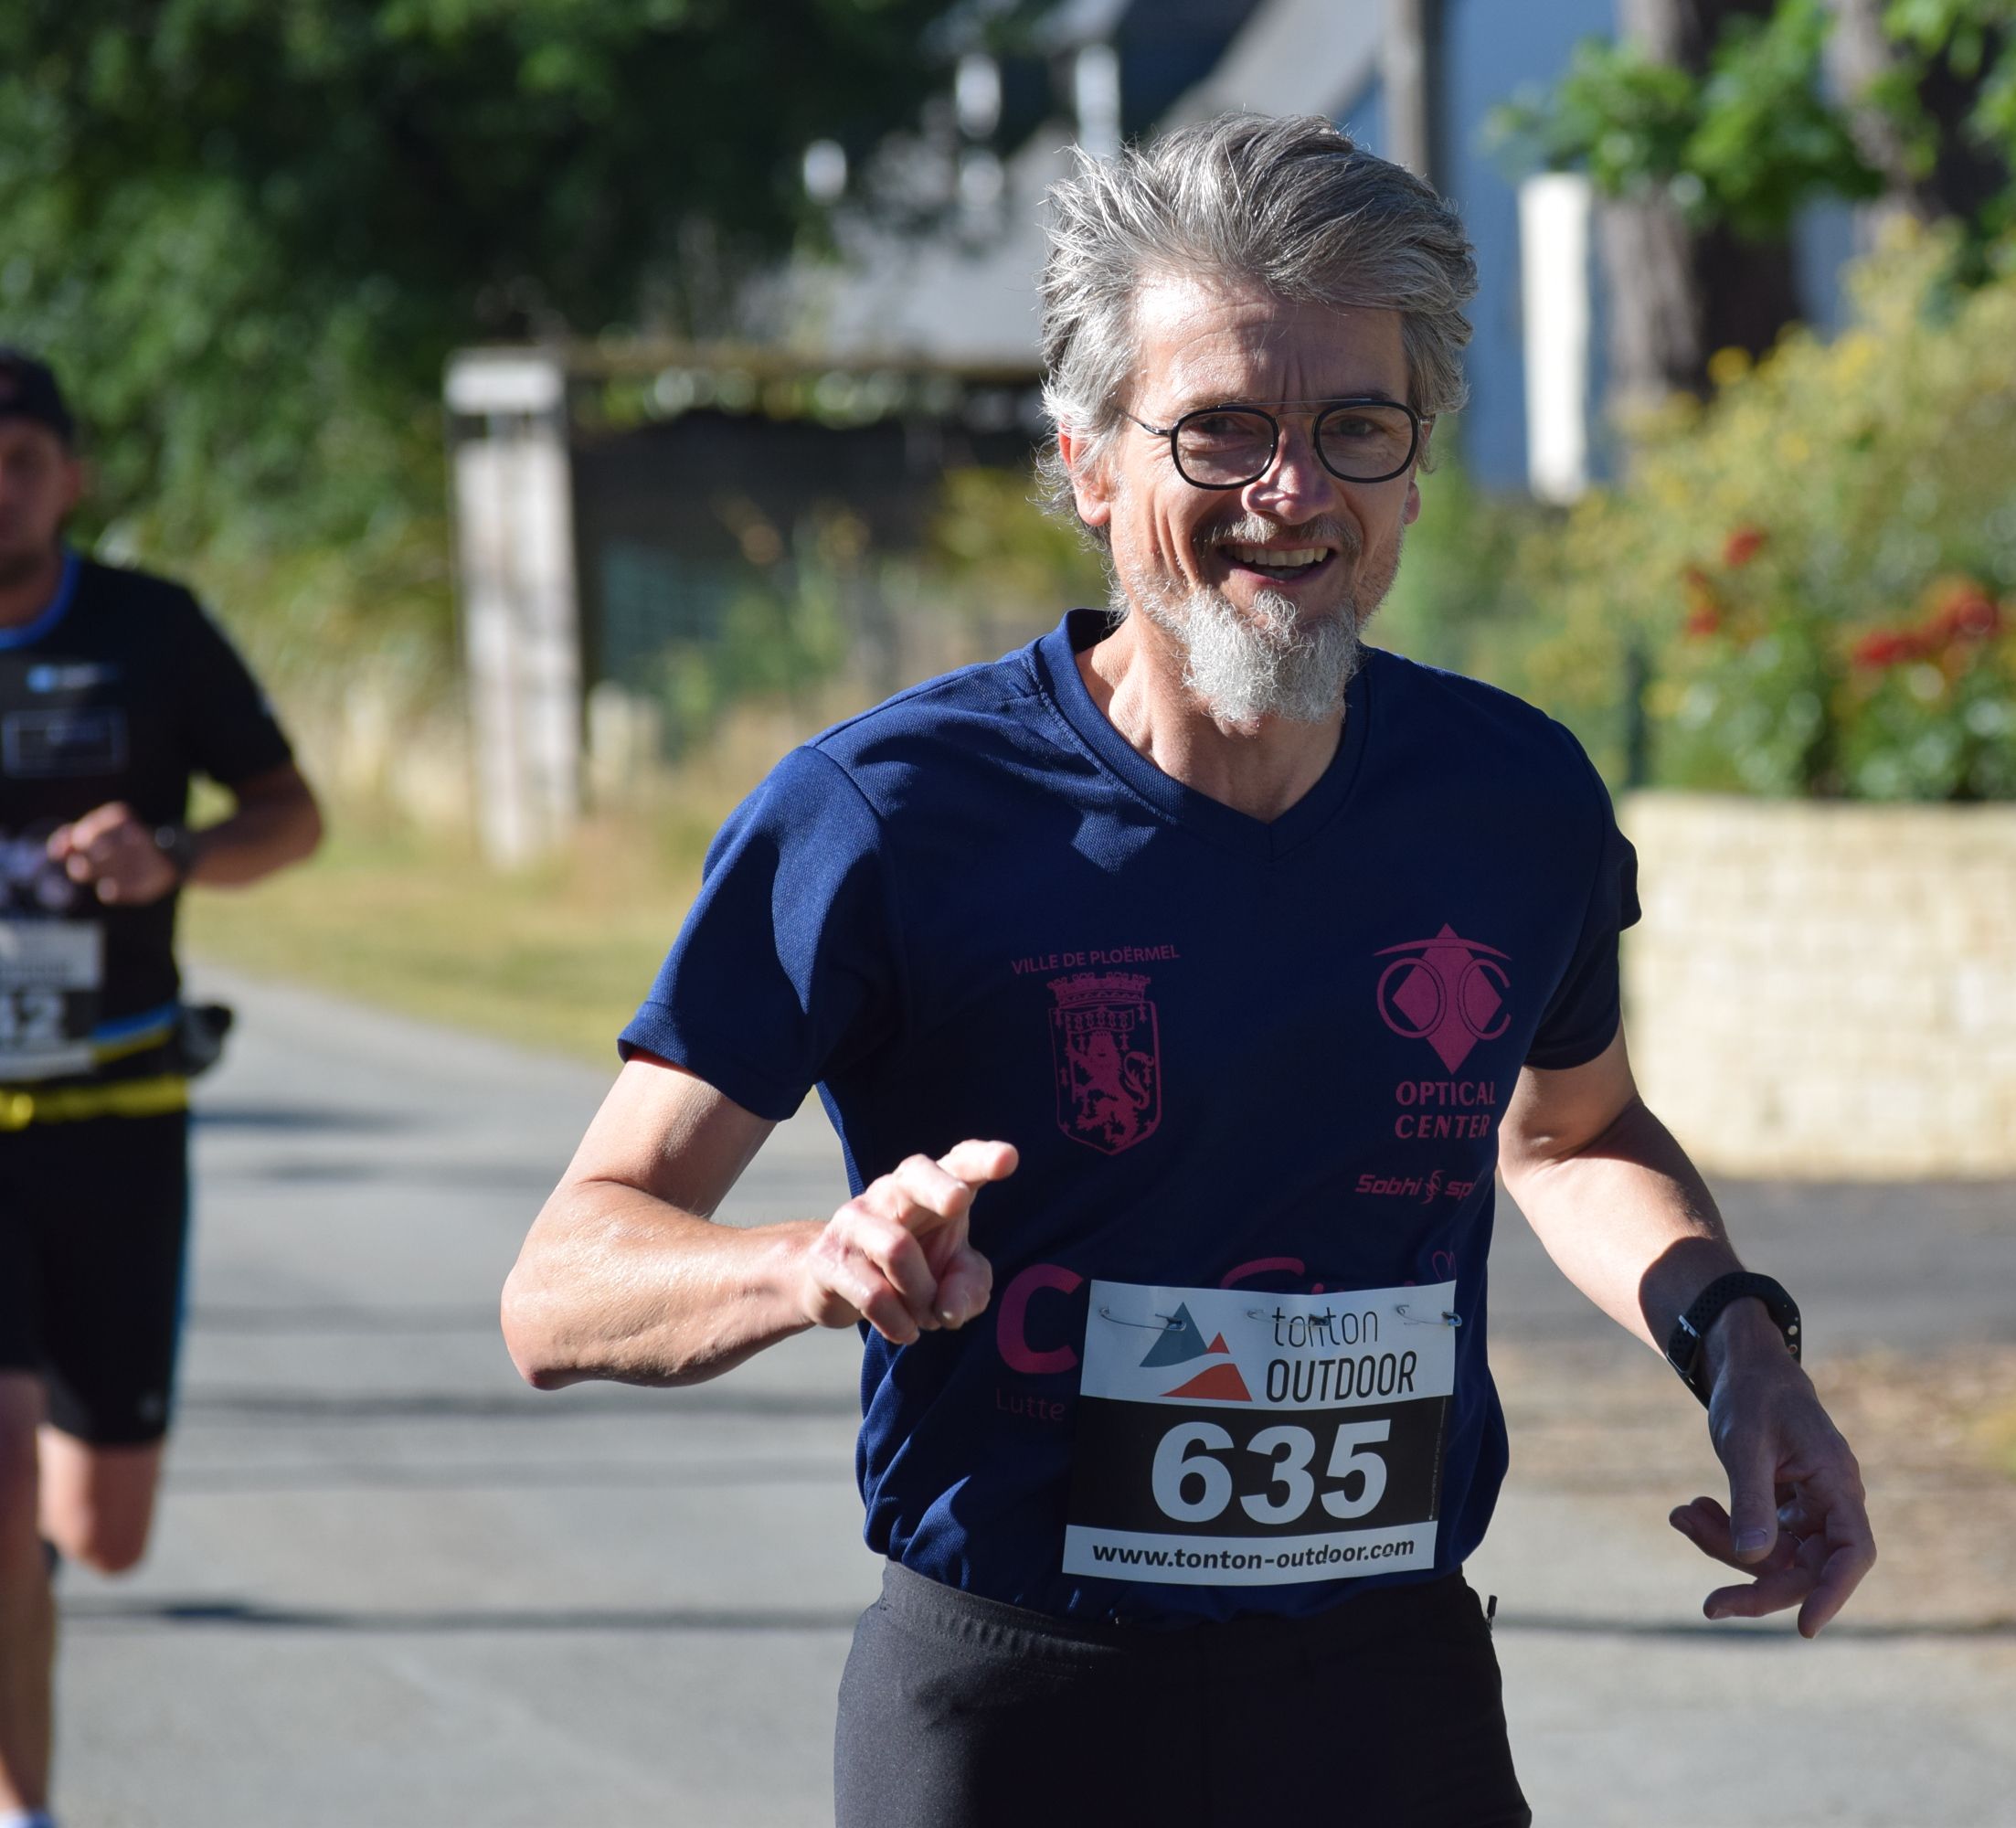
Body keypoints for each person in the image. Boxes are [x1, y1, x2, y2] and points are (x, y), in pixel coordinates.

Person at [501, 113, 1873, 1827]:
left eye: (1354, 427)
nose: (1291, 492)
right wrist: (814, 1262)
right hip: (1020, 1715)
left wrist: (1738, 1341)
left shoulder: (1512, 800)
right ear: (1087, 465)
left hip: (1393, 1705)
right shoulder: (887, 814)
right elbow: (561, 1284)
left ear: (1414, 469)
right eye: (1220, 430)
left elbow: (1572, 1137)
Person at [0, 349, 324, 1828]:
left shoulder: (152, 630)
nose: (0, 491)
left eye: (22, 462)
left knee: (97, 1529)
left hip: (118, 1120)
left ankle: (28, 1576)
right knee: (6, 1485)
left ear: (71, 478)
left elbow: (292, 816)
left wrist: (171, 856)